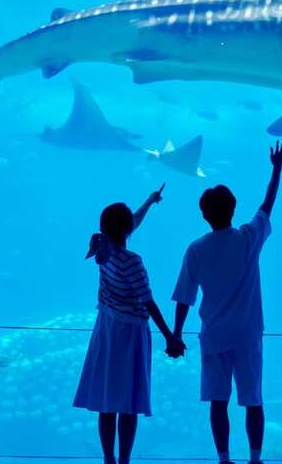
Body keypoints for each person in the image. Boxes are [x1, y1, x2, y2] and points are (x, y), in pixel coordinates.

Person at [170, 142, 282, 464]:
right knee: (253, 400)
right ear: (233, 209)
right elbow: (267, 205)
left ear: (204, 214)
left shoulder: (196, 249)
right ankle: (255, 459)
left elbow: (184, 297)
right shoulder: (248, 238)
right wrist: (277, 169)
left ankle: (223, 460)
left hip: (214, 335)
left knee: (218, 402)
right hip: (248, 334)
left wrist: (176, 334)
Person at [74, 184, 185, 464]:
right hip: (129, 334)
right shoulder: (132, 261)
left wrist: (149, 202)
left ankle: (108, 458)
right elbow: (148, 302)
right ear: (126, 230)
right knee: (128, 400)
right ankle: (124, 460)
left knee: (107, 399)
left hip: (106, 329)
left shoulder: (102, 248)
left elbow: (131, 222)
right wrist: (170, 336)